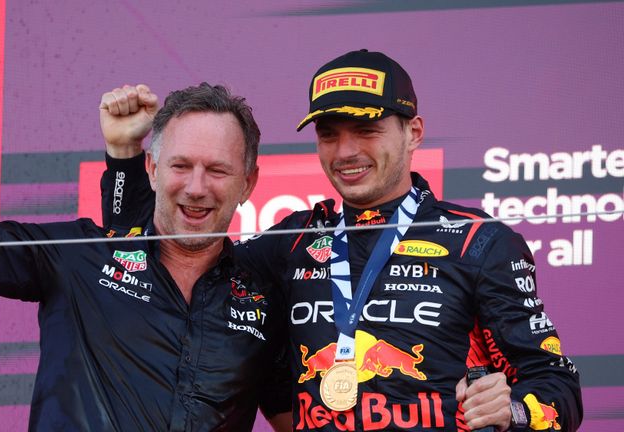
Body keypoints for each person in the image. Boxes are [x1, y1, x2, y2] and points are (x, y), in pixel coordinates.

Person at [100, 50, 583, 431]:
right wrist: (124, 158)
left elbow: (557, 383)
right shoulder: (292, 242)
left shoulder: (479, 241)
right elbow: (161, 252)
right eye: (329, 134)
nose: (346, 151)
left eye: (366, 130)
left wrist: (514, 410)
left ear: (413, 132)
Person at [0, 53, 293, 431]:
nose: (196, 187)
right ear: (152, 169)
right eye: (181, 165)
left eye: (218, 170)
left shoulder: (264, 302)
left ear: (248, 183)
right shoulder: (81, 256)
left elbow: (299, 419)